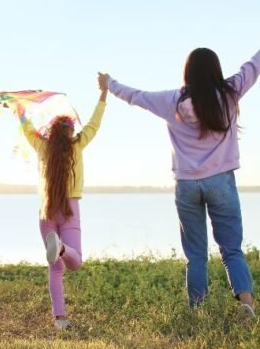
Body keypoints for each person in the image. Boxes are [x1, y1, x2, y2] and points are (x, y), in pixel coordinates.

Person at [98, 47, 260, 320]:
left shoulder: (171, 101)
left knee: (195, 255)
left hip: (186, 185)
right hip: (220, 182)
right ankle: (246, 303)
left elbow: (135, 96)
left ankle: (197, 312)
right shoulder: (230, 92)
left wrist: (109, 84)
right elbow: (254, 65)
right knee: (231, 248)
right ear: (215, 70)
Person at [18, 83, 107, 330]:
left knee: (55, 268)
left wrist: (19, 108)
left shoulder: (42, 146)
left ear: (52, 132)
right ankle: (60, 248)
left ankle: (60, 318)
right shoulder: (77, 145)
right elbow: (94, 124)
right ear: (70, 133)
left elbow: (28, 129)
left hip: (46, 210)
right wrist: (103, 94)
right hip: (69, 209)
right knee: (74, 262)